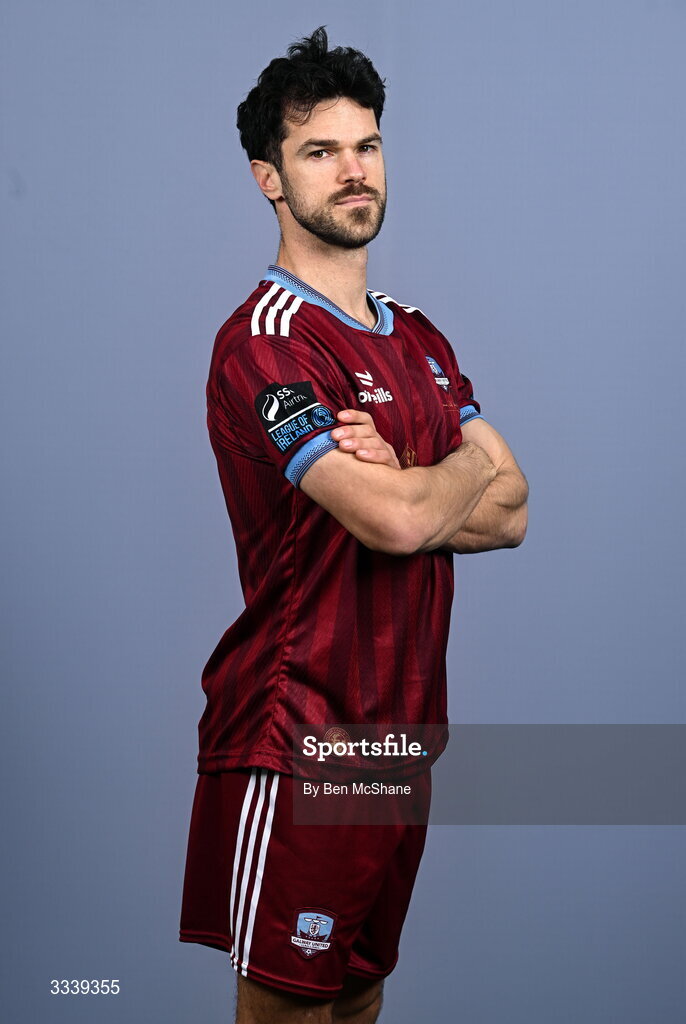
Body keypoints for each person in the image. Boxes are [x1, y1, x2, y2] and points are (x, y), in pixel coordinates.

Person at [179, 25, 528, 1024]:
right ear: (268, 180)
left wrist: (426, 478)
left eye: (365, 145)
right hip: (299, 740)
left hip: (397, 747)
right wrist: (450, 473)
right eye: (318, 151)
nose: (351, 170)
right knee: (288, 1009)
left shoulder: (418, 340)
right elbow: (396, 517)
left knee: (361, 999)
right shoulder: (261, 345)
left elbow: (511, 510)